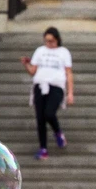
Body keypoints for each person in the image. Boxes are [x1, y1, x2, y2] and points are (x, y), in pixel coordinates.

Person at [20, 27, 74, 160]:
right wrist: (26, 64)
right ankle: (43, 148)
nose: (49, 43)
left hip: (56, 86)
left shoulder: (63, 52)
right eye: (46, 41)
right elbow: (33, 71)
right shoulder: (40, 51)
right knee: (40, 118)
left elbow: (68, 73)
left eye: (51, 41)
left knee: (49, 113)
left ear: (57, 40)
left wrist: (70, 93)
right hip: (40, 85)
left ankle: (58, 133)